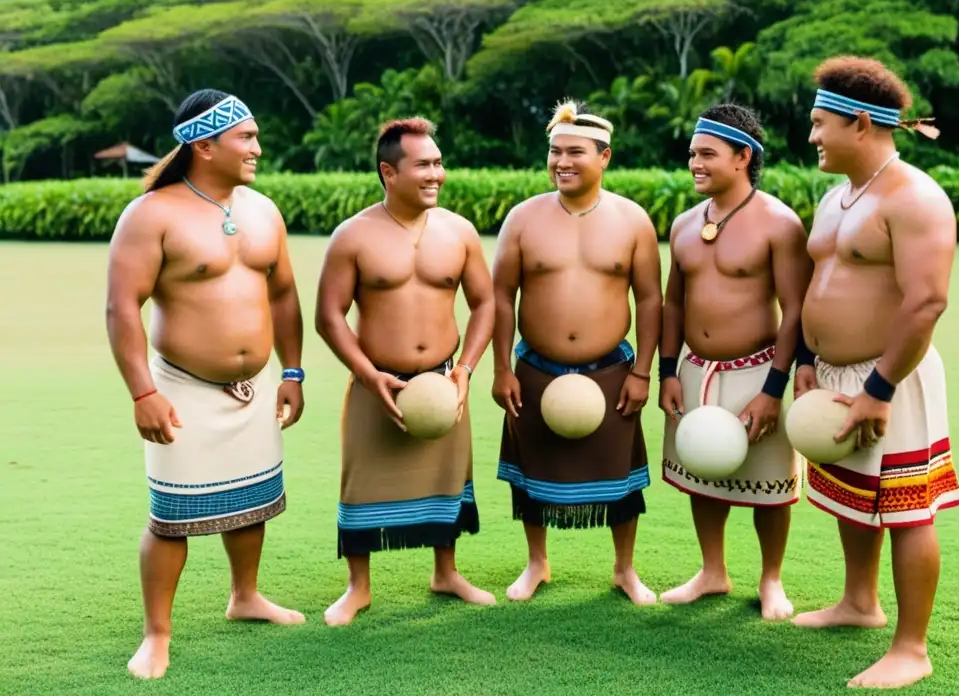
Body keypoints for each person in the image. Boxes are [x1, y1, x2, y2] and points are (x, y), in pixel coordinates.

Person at [105, 89, 307, 680]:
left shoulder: (263, 209)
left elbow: (285, 294)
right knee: (171, 516)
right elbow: (122, 307)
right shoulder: (152, 214)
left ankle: (245, 596)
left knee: (252, 502)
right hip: (182, 388)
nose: (257, 148)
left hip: (256, 384)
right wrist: (143, 391)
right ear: (204, 144)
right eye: (246, 137)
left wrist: (292, 371)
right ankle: (156, 635)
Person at [791, 55, 959, 690]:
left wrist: (880, 388)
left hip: (894, 375)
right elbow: (819, 280)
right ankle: (859, 603)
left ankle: (912, 648)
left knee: (908, 509)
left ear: (860, 124)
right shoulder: (837, 195)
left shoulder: (915, 197)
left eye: (820, 125)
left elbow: (926, 302)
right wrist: (809, 361)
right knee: (852, 495)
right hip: (834, 373)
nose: (811, 137)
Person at [315, 116, 497, 626]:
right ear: (388, 172)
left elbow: (485, 304)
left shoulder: (459, 231)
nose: (436, 173)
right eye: (423, 165)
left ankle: (447, 573)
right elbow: (328, 315)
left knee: (448, 477)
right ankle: (358, 587)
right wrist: (367, 375)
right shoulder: (353, 235)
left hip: (443, 380)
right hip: (378, 382)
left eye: (439, 163)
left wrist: (464, 370)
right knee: (362, 481)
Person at [491, 99, 663, 604]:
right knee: (529, 474)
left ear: (604, 157)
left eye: (575, 152)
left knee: (623, 480)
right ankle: (537, 563)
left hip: (611, 368)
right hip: (535, 368)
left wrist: (644, 372)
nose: (562, 162)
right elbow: (502, 296)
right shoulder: (523, 218)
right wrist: (503, 367)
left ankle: (625, 569)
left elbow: (650, 298)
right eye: (554, 152)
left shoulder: (632, 220)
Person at [658, 104, 813, 620]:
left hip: (757, 369)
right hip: (696, 370)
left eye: (706, 154)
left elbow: (795, 309)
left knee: (769, 485)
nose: (694, 164)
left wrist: (773, 389)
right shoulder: (683, 224)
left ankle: (771, 580)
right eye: (691, 154)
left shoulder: (779, 223)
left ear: (743, 156)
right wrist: (667, 372)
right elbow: (672, 303)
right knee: (703, 467)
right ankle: (713, 572)